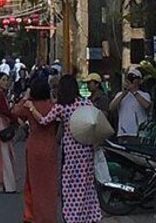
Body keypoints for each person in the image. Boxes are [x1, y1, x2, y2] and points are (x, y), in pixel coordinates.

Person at [27, 74, 102, 223]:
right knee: (86, 185)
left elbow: (44, 120)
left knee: (70, 185)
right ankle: (90, 215)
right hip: (86, 149)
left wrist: (31, 108)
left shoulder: (62, 107)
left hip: (71, 152)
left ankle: (72, 216)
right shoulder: (86, 103)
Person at [16, 78, 60, 223]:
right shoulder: (53, 106)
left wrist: (25, 97)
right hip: (50, 146)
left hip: (34, 146)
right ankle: (48, 216)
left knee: (32, 183)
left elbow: (15, 111)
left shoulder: (29, 105)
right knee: (49, 184)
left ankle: (31, 215)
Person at [110, 67, 152, 136]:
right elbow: (111, 108)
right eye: (129, 77)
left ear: (140, 81)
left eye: (134, 77)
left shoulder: (144, 95)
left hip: (139, 134)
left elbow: (146, 105)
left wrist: (134, 92)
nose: (131, 80)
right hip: (123, 133)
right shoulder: (120, 94)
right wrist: (123, 94)